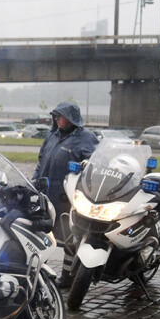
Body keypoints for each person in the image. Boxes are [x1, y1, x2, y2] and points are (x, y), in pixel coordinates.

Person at [32, 102, 98, 288]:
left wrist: (86, 163)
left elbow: (95, 160)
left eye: (60, 116)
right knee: (42, 233)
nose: (56, 119)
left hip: (66, 196)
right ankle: (40, 270)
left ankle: (68, 275)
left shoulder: (86, 138)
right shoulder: (51, 135)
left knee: (69, 236)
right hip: (45, 192)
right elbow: (40, 160)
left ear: (71, 119)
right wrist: (35, 180)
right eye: (55, 116)